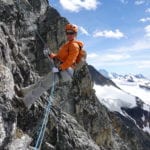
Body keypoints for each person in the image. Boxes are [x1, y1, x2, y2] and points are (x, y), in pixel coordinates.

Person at [15, 23, 84, 109]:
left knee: (43, 85)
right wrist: (50, 54)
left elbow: (70, 61)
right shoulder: (68, 44)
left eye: (71, 33)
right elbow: (59, 57)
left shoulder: (74, 46)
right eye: (67, 32)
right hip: (62, 70)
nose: (69, 35)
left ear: (75, 34)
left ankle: (25, 102)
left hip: (64, 71)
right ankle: (23, 92)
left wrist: (59, 68)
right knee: (41, 82)